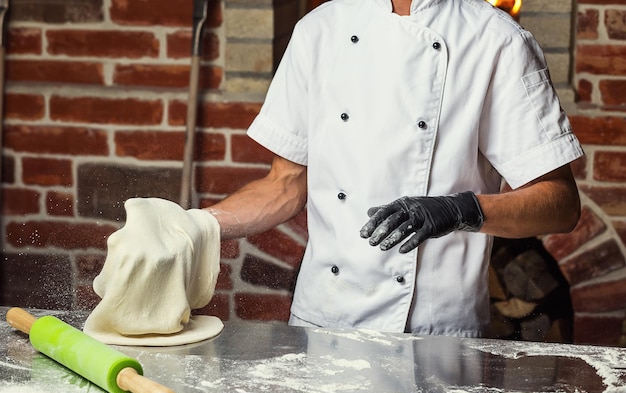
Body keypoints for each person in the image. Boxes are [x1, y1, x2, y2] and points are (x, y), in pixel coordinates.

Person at [100, 0, 583, 338]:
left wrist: (461, 209)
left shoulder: (495, 39)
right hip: (322, 320)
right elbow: (285, 186)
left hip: (435, 332)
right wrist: (197, 225)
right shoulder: (319, 30)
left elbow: (560, 204)